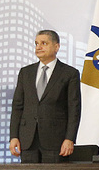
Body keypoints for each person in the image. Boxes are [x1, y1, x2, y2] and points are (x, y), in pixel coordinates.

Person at [9, 30, 81, 162]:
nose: (38, 47)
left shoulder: (69, 73)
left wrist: (69, 138)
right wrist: (14, 136)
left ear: (56, 47)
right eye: (36, 43)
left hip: (56, 141)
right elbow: (17, 107)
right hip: (28, 140)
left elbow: (74, 109)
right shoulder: (26, 72)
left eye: (44, 43)